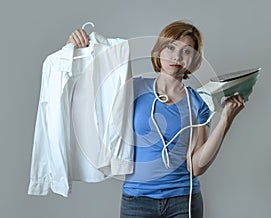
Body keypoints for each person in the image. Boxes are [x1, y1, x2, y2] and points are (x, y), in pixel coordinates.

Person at [67, 21, 245, 218]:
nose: (177, 56)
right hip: (137, 202)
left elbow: (196, 166)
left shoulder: (197, 102)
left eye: (186, 51)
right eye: (170, 47)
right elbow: (86, 94)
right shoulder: (132, 89)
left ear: (193, 60)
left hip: (183, 201)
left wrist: (226, 119)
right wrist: (75, 50)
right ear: (159, 51)